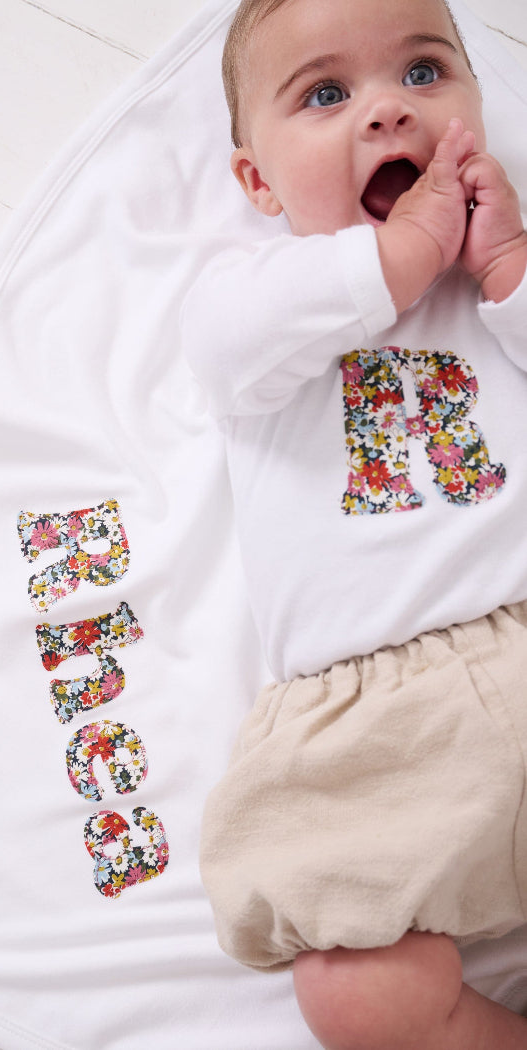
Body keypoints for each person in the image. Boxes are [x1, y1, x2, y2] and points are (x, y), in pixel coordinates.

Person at [180, 0, 527, 1045]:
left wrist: (506, 264)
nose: (386, 111)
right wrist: (393, 259)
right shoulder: (251, 296)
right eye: (325, 96)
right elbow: (231, 343)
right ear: (257, 181)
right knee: (355, 991)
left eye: (424, 74)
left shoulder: (499, 271)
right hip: (372, 725)